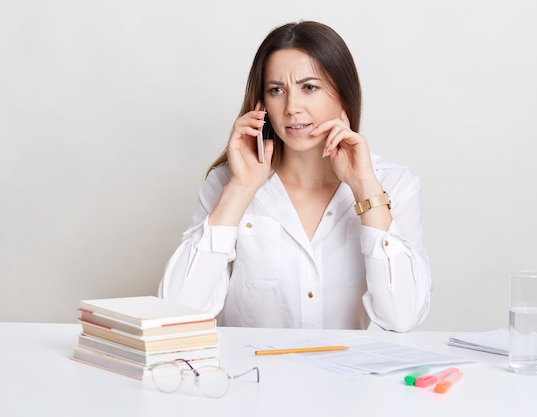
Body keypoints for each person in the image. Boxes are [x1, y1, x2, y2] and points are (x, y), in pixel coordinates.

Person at [158, 21, 431, 332]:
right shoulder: (226, 184)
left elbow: (402, 317)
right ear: (262, 105)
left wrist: (364, 188)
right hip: (254, 377)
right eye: (276, 90)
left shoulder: (395, 184)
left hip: (346, 378)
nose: (291, 107)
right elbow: (177, 315)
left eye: (309, 88)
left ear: (343, 94)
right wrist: (241, 189)